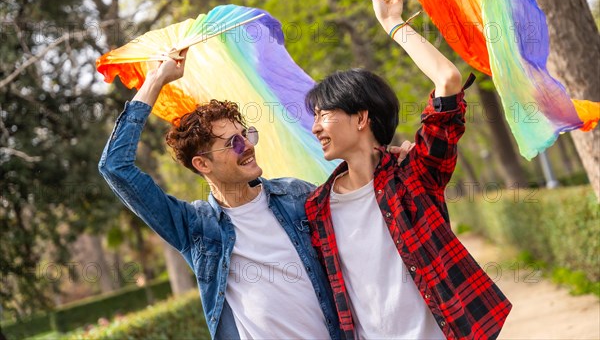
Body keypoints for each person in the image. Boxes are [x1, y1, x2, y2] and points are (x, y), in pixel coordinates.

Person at [98, 48, 413, 339]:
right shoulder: (197, 229)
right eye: (232, 143)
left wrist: (385, 161)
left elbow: (359, 202)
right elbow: (116, 167)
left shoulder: (296, 197)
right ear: (202, 163)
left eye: (245, 135)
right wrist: (156, 80)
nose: (247, 145)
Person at [304, 0, 512, 340]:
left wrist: (393, 24)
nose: (315, 127)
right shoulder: (315, 208)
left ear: (360, 118)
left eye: (324, 114)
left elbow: (447, 80)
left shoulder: (415, 175)